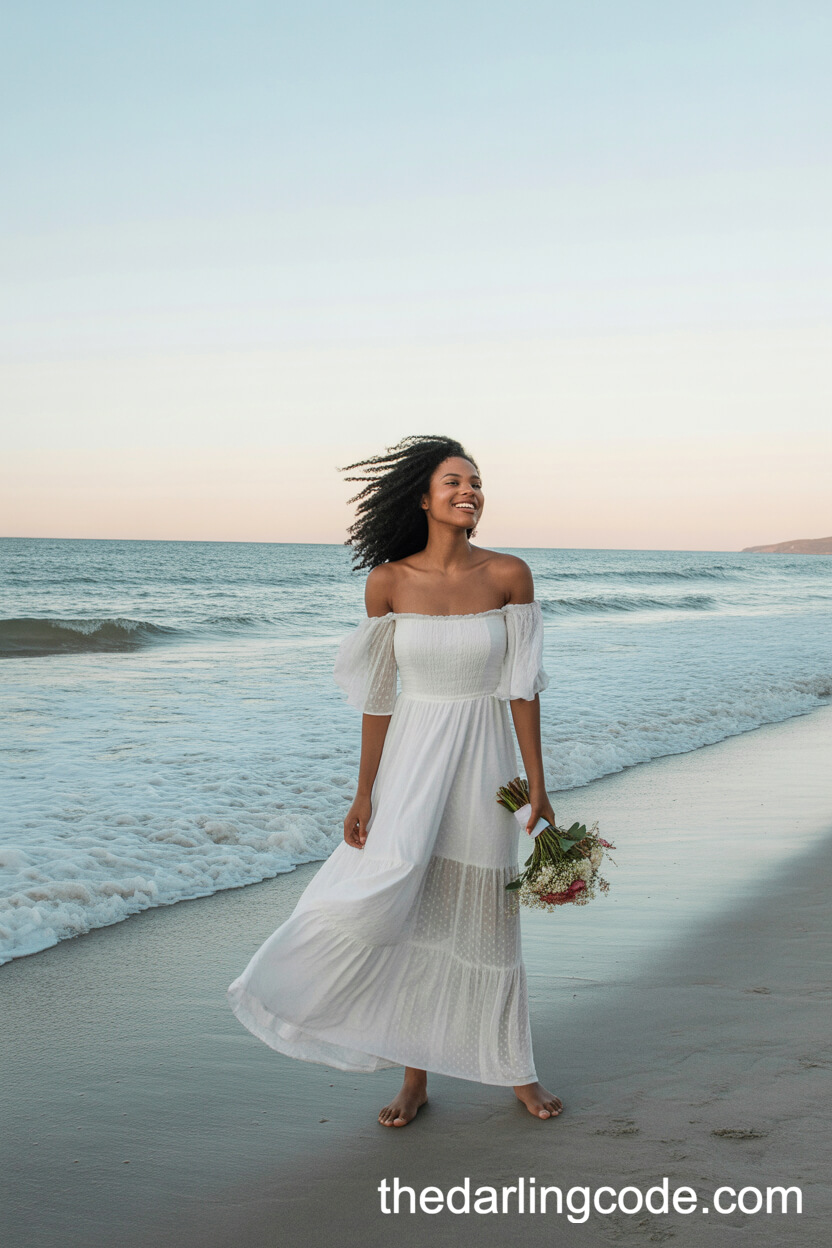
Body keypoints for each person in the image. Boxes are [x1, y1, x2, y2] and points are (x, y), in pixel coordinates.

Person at [227, 434, 563, 1126]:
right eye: (453, 481)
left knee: (486, 914)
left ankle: (516, 1069)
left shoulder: (510, 574)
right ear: (423, 498)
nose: (469, 491)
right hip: (412, 760)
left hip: (485, 761)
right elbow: (378, 698)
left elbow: (522, 687)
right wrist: (364, 791)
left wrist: (537, 782)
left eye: (476, 481)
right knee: (401, 900)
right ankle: (414, 1077)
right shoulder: (387, 582)